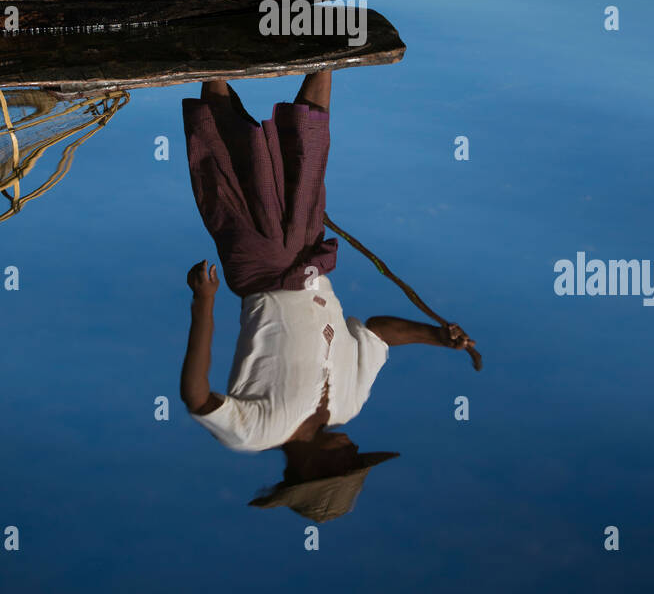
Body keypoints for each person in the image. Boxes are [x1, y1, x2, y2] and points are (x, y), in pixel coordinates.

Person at [179, 71, 477, 522]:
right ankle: (326, 54)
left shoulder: (254, 433)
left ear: (312, 469)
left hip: (262, 267)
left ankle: (211, 63)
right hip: (309, 255)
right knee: (309, 156)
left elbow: (196, 397)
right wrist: (437, 336)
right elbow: (377, 333)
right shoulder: (350, 404)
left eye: (349, 462)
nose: (356, 450)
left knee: (233, 162)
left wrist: (204, 303)